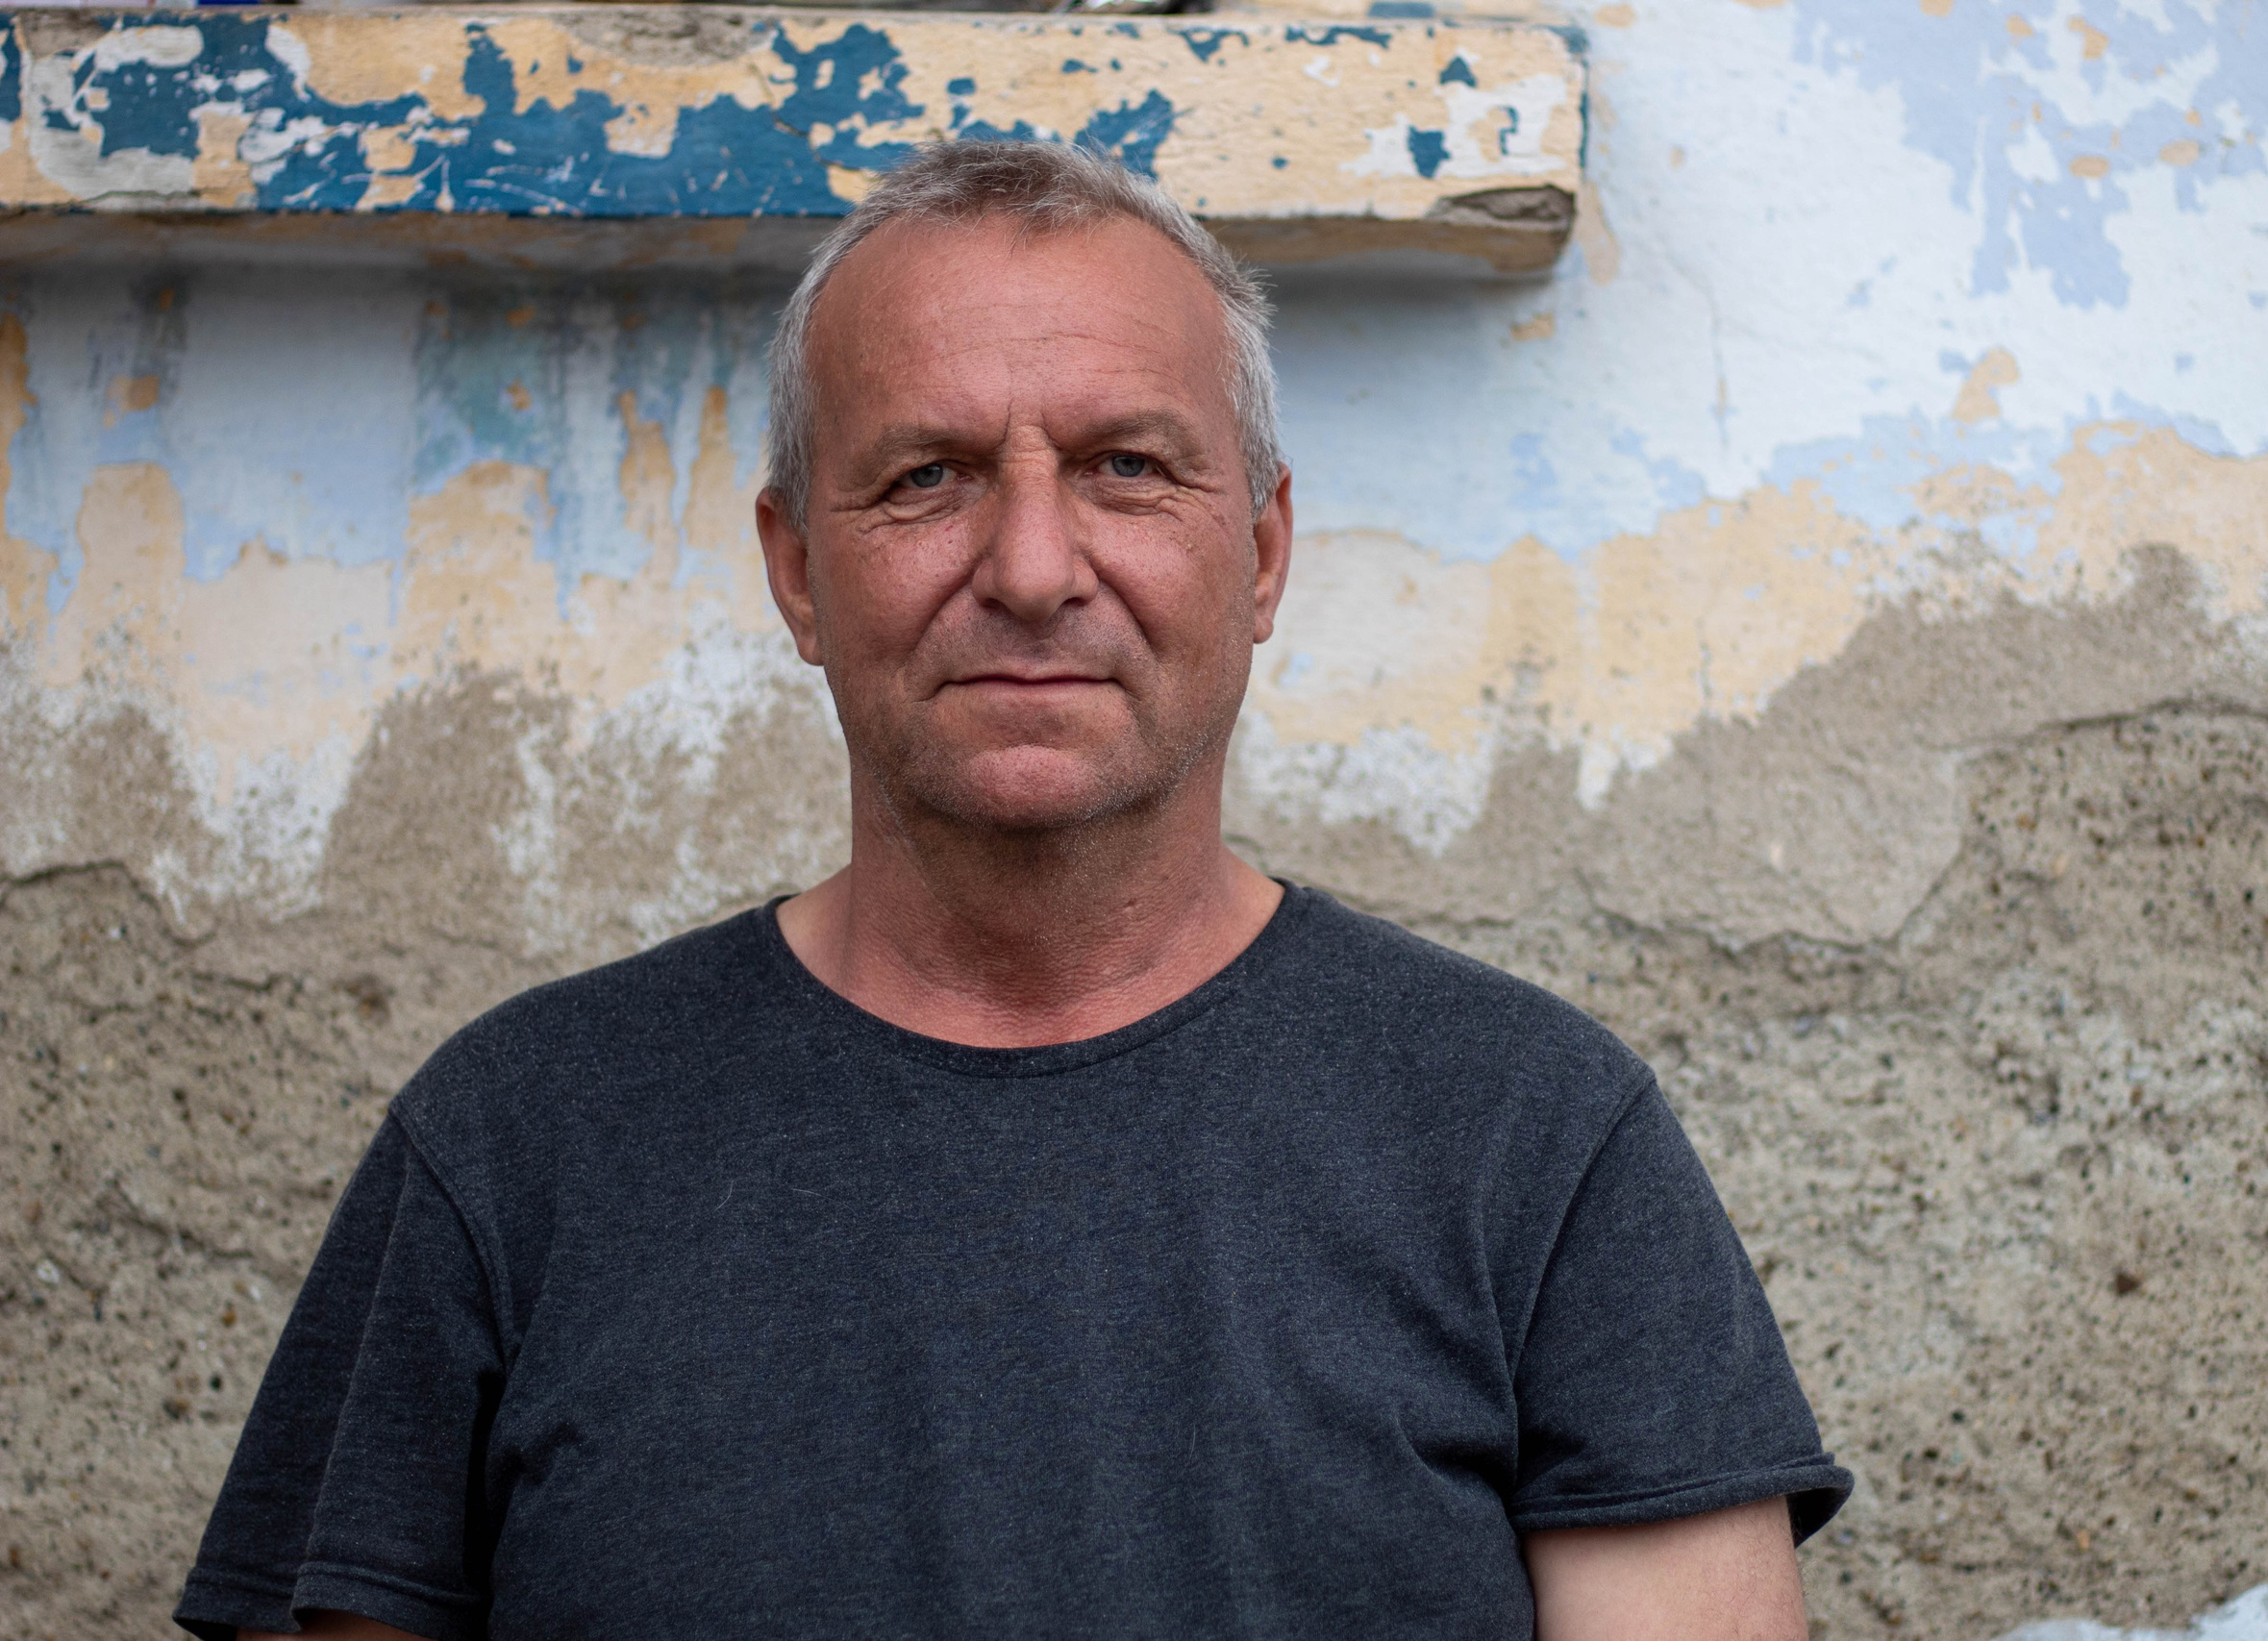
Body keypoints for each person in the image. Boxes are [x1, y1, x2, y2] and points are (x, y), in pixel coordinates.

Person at [175, 140, 1850, 1641]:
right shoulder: (513, 1151)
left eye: (1127, 465)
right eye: (928, 478)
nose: (1035, 569)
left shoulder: (1536, 1145)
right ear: (795, 570)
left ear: (1260, 555)